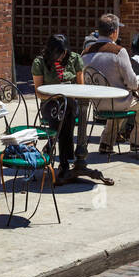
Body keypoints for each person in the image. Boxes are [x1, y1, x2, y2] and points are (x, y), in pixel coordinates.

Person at [81, 13, 139, 160]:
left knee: (120, 101)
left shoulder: (85, 52)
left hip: (96, 104)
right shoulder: (118, 51)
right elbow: (132, 83)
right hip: (118, 102)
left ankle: (106, 142)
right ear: (115, 32)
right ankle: (138, 141)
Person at [31, 35, 86, 183]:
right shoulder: (40, 62)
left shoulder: (74, 59)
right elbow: (38, 92)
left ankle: (52, 147)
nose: (61, 57)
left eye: (63, 53)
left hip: (70, 101)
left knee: (66, 112)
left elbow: (81, 86)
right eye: (58, 54)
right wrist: (56, 95)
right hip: (50, 102)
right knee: (63, 115)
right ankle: (65, 163)